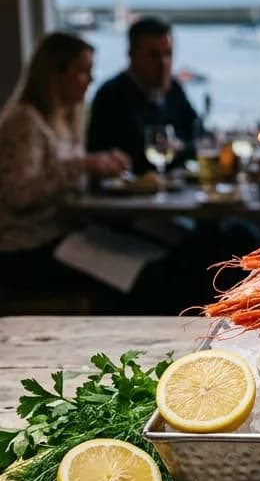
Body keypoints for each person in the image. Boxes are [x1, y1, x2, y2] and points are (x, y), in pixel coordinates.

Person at [0, 33, 129, 284]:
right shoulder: (25, 122)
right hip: (26, 248)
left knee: (148, 255)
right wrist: (83, 165)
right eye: (83, 71)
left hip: (64, 235)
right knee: (145, 275)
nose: (91, 79)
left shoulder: (67, 117)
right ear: (55, 74)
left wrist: (98, 166)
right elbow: (18, 195)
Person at [86, 16, 200, 174]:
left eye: (167, 54)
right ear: (132, 55)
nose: (163, 64)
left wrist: (181, 148)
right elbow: (126, 157)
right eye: (153, 55)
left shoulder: (174, 89)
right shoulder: (111, 96)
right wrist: (178, 150)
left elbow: (199, 135)